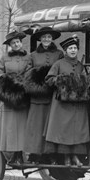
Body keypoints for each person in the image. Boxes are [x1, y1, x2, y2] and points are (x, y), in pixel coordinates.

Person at [44, 36, 90, 166]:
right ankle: (65, 158)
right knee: (64, 132)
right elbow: (49, 79)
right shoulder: (58, 64)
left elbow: (85, 80)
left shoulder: (80, 65)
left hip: (77, 105)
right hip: (62, 106)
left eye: (75, 48)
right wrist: (62, 81)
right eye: (70, 48)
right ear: (65, 50)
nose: (73, 50)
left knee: (75, 132)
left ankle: (75, 156)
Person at [23, 26, 63, 163]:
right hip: (37, 96)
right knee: (37, 125)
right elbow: (28, 75)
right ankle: (35, 154)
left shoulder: (59, 54)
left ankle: (51, 154)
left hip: (53, 95)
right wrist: (37, 86)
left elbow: (61, 71)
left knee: (51, 125)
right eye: (44, 37)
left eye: (49, 37)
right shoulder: (32, 55)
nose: (46, 39)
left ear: (52, 39)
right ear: (40, 39)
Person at [0, 30, 32, 165]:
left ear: (21, 43)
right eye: (13, 43)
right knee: (10, 128)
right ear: (10, 45)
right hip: (9, 98)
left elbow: (30, 73)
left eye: (18, 42)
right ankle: (11, 156)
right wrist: (7, 89)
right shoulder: (4, 58)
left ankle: (21, 155)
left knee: (22, 128)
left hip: (23, 97)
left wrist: (22, 86)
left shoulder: (28, 57)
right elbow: (0, 75)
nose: (16, 44)